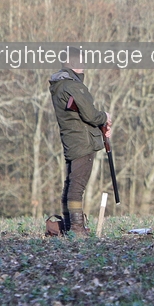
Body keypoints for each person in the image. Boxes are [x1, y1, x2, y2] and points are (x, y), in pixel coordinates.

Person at [49, 46, 111, 236]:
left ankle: (70, 226)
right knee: (77, 187)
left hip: (71, 141)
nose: (84, 64)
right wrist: (105, 117)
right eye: (81, 61)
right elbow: (91, 115)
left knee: (70, 184)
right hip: (83, 142)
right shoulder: (74, 86)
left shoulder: (59, 85)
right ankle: (76, 229)